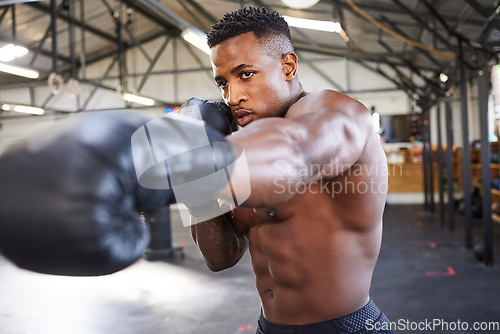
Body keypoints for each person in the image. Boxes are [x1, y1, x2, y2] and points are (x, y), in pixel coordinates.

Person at [189, 7, 395, 334]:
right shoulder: (240, 146)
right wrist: (194, 184)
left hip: (346, 327)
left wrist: (195, 158)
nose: (232, 96)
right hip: (269, 327)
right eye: (222, 83)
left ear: (288, 65)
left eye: (245, 74)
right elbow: (221, 257)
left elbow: (294, 152)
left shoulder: (333, 113)